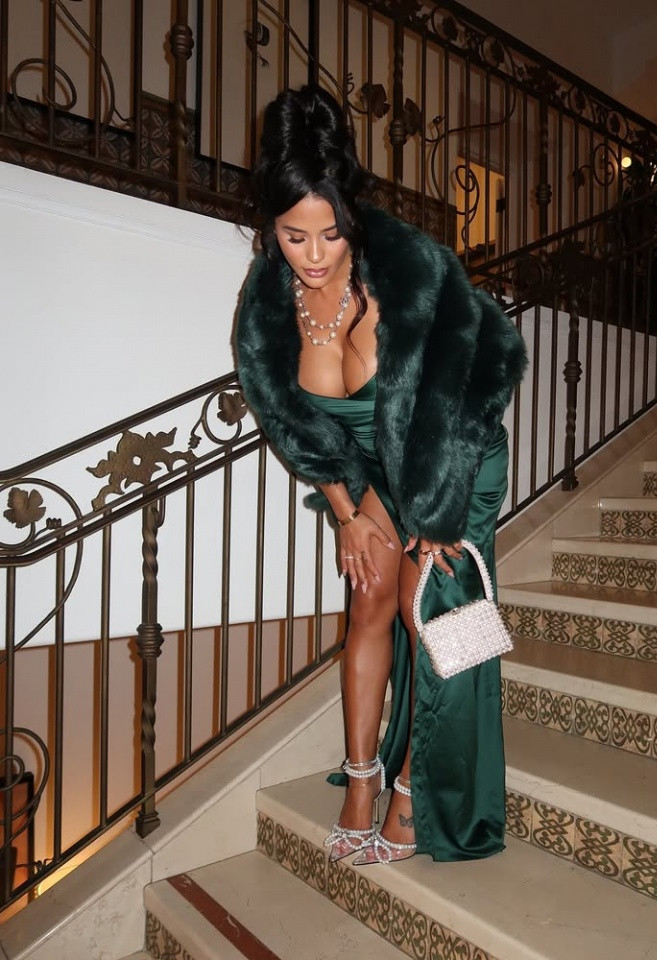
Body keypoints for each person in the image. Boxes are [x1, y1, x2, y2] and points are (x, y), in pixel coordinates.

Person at [234, 86, 526, 864]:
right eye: (294, 236)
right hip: (376, 478)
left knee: (436, 615)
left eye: (331, 233)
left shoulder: (409, 269)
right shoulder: (266, 305)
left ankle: (418, 790)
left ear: (352, 216)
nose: (315, 254)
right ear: (271, 226)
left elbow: (492, 365)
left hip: (454, 463)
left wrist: (437, 513)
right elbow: (291, 422)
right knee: (368, 597)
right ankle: (362, 780)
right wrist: (347, 514)